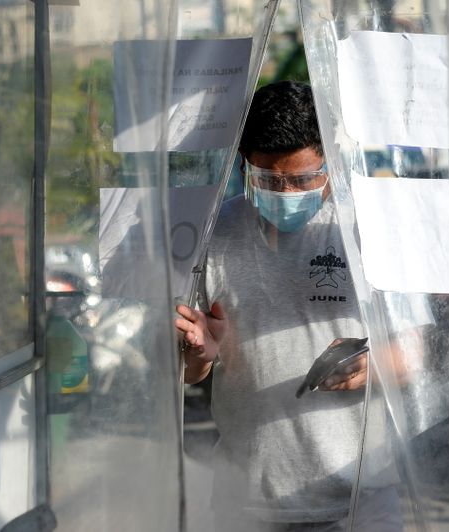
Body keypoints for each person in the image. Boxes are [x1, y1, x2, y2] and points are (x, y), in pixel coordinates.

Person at [175, 81, 417, 531]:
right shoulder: (215, 232)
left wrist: (380, 363)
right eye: (268, 180)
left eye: (304, 178)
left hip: (360, 504)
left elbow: (423, 347)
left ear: (329, 160)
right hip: (246, 502)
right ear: (245, 164)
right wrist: (199, 356)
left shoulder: (369, 229)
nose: (286, 193)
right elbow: (191, 366)